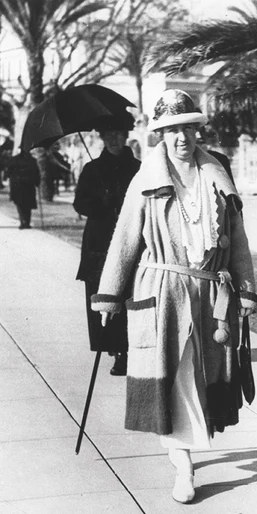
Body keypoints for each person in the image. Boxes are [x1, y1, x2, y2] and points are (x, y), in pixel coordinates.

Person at [91, 89, 257, 504]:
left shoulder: (217, 173)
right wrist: (110, 294)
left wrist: (245, 290)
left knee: (203, 376)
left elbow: (237, 239)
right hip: (163, 293)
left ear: (198, 130)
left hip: (209, 294)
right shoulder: (145, 180)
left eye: (188, 128)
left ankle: (181, 450)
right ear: (160, 135)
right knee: (176, 376)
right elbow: (125, 238)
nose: (181, 137)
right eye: (171, 130)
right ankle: (184, 468)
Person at [73, 114, 141, 376]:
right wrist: (103, 201)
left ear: (127, 136)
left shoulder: (139, 169)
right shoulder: (92, 170)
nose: (114, 138)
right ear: (101, 137)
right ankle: (115, 350)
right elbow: (80, 204)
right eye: (108, 134)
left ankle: (129, 349)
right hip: (99, 241)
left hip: (132, 239)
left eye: (119, 133)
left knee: (128, 295)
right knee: (104, 296)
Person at [6, 149, 40, 229]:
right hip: (28, 185)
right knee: (27, 205)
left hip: (18, 185)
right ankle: (26, 222)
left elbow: (8, 173)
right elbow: (36, 173)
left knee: (20, 204)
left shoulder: (14, 159)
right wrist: (37, 182)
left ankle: (23, 222)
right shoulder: (32, 160)